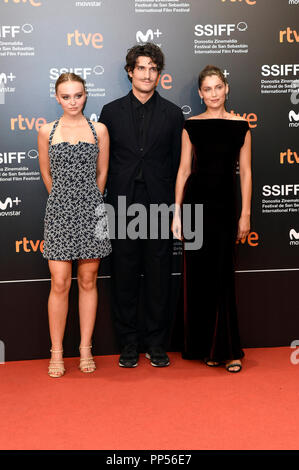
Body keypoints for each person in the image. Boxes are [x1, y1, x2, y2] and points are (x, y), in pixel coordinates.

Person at [99, 43, 184, 368]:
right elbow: (102, 164)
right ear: (130, 72)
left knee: (160, 276)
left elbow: (179, 166)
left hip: (160, 205)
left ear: (159, 74)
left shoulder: (174, 114)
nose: (147, 74)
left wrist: (178, 210)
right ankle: (128, 344)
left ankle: (156, 343)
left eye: (153, 69)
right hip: (120, 205)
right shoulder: (111, 112)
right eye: (142, 67)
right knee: (123, 275)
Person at [172, 65, 252, 373]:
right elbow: (183, 171)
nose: (214, 94)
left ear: (226, 89)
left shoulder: (241, 126)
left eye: (218, 87)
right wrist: (176, 214)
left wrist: (245, 214)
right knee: (199, 276)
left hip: (226, 206)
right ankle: (204, 345)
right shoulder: (190, 126)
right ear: (200, 93)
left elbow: (245, 172)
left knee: (223, 276)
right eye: (208, 89)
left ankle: (228, 349)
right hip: (196, 204)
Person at [38, 73, 112, 378]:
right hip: (58, 211)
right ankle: (56, 352)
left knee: (88, 280)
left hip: (92, 211)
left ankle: (85, 348)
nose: (73, 101)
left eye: (78, 95)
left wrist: (89, 204)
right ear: (57, 98)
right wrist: (63, 203)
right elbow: (46, 175)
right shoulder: (46, 131)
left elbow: (102, 174)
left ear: (86, 95)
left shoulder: (99, 130)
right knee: (59, 282)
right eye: (66, 96)